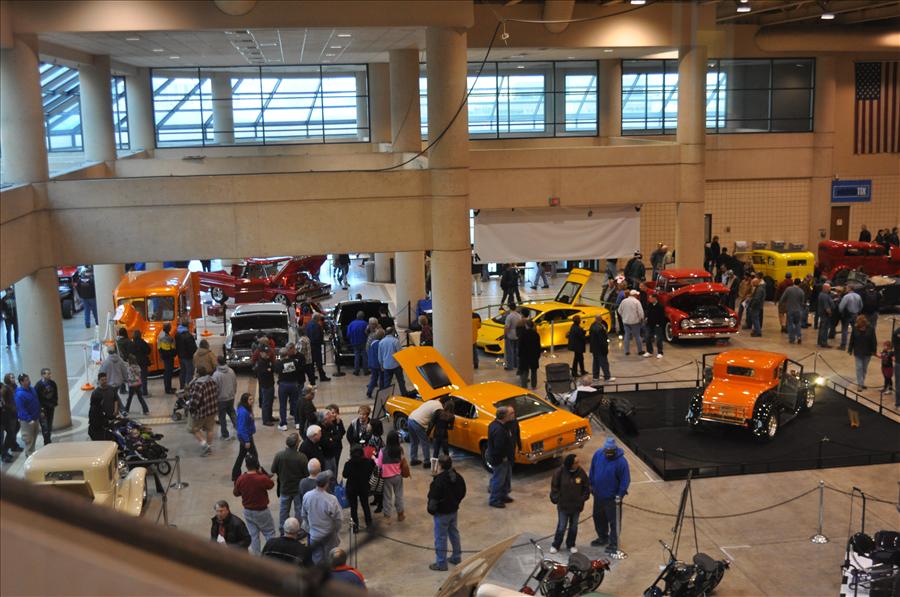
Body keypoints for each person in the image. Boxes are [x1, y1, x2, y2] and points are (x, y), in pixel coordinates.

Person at [589, 437, 630, 554]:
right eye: (607, 451)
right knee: (598, 518)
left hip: (612, 499)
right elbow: (592, 469)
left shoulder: (621, 462)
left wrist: (620, 495)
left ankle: (614, 544)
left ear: (615, 450)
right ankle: (603, 537)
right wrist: (591, 484)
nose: (608, 454)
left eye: (610, 452)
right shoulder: (598, 454)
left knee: (614, 522)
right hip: (598, 495)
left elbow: (625, 480)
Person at [428, 454, 466, 571]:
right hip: (453, 511)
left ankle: (441, 563)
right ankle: (456, 557)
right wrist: (456, 502)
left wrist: (432, 511)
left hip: (442, 513)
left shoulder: (439, 481)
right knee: (454, 533)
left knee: (440, 538)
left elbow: (433, 499)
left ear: (439, 465)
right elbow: (463, 492)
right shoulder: (458, 477)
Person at [233, 455, 276, 555]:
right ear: (257, 464)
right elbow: (271, 485)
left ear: (246, 465)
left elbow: (236, 493)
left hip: (248, 511)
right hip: (262, 510)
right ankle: (271, 554)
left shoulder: (241, 479)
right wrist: (261, 473)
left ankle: (257, 556)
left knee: (253, 535)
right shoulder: (261, 478)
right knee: (269, 532)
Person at [550, 453, 590, 554]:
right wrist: (558, 499)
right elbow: (554, 487)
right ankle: (556, 545)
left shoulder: (581, 473)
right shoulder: (559, 472)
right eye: (576, 462)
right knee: (562, 526)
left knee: (574, 526)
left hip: (576, 506)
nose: (578, 464)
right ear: (570, 464)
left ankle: (571, 544)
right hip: (563, 506)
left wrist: (582, 499)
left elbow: (586, 487)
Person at [301, 470, 343, 564]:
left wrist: (310, 529)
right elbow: (339, 519)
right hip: (329, 536)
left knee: (317, 560)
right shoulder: (331, 499)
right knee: (331, 559)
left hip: (314, 535)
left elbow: (303, 515)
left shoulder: (307, 496)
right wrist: (335, 531)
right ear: (327, 483)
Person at [271, 433, 309, 534]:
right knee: (299, 510)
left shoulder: (279, 455)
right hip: (298, 489)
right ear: (296, 444)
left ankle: (283, 529)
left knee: (284, 510)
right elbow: (307, 474)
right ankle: (299, 530)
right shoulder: (302, 457)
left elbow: (273, 469)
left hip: (285, 488)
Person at [487, 406, 516, 508]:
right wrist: (503, 457)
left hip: (506, 458)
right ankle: (494, 499)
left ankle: (503, 495)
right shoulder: (498, 430)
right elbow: (499, 447)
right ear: (504, 416)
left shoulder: (500, 425)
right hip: (500, 460)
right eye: (509, 414)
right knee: (499, 480)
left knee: (506, 478)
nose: (511, 416)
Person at [342, 444, 375, 532]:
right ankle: (369, 524)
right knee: (365, 505)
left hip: (352, 487)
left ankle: (355, 527)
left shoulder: (348, 464)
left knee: (353, 507)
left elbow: (345, 475)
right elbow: (371, 472)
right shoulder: (367, 462)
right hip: (363, 486)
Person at [375, 430, 406, 522]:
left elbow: (379, 465)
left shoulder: (382, 451)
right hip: (398, 476)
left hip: (387, 477)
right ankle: (400, 514)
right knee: (399, 495)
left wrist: (374, 458)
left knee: (387, 497)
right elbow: (402, 460)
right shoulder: (400, 449)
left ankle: (387, 517)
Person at [187, 366, 218, 456]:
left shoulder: (198, 385)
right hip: (212, 410)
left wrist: (191, 409)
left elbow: (195, 401)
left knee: (194, 429)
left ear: (197, 374)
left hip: (202, 412)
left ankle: (205, 446)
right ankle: (209, 447)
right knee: (210, 429)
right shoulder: (212, 381)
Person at [275, 344, 304, 432]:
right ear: (287, 354)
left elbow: (276, 372)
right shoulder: (294, 362)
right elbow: (298, 371)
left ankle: (283, 424)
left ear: (280, 355)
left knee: (283, 405)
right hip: (294, 384)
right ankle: (297, 422)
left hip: (283, 385)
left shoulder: (279, 364)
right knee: (295, 403)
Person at [407, 396, 443, 467]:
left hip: (410, 418)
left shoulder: (433, 401)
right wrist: (428, 433)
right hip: (418, 423)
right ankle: (427, 462)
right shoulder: (439, 408)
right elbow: (433, 422)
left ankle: (413, 459)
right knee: (425, 443)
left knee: (414, 441)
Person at [232, 392, 258, 482]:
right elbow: (241, 428)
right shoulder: (243, 412)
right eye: (250, 399)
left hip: (247, 435)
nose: (252, 401)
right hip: (245, 437)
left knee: (242, 455)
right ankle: (259, 473)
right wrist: (247, 440)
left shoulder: (247, 408)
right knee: (254, 455)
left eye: (252, 399)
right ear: (245, 401)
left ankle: (235, 475)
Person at [848, 315, 877, 391]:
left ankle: (862, 383)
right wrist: (850, 349)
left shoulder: (871, 329)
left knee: (864, 369)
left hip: (867, 352)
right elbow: (852, 339)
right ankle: (860, 384)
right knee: (859, 368)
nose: (861, 327)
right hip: (858, 352)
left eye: (862, 326)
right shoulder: (855, 329)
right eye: (859, 326)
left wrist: (874, 351)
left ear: (865, 323)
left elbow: (874, 340)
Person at [211, 356, 238, 439]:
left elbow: (214, 388)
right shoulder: (231, 371)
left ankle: (225, 434)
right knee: (232, 413)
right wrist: (233, 392)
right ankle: (239, 428)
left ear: (218, 363)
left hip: (221, 399)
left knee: (222, 417)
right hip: (231, 397)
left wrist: (215, 398)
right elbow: (235, 383)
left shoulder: (216, 375)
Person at [14, 374, 41, 455]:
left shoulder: (32, 389)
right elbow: (21, 409)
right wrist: (29, 419)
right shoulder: (19, 394)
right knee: (28, 439)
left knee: (35, 435)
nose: (29, 381)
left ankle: (32, 451)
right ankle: (29, 454)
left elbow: (36, 401)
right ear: (21, 382)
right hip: (27, 421)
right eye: (26, 380)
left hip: (35, 417)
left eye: (28, 379)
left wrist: (40, 412)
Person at [88, 372, 118, 441]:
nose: (104, 381)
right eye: (102, 380)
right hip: (103, 420)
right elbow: (93, 406)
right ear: (98, 380)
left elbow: (116, 399)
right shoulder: (95, 393)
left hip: (112, 415)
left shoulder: (111, 389)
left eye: (105, 379)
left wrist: (116, 410)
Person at [378, 328, 407, 395]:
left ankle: (386, 395)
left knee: (387, 382)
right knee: (401, 381)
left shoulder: (381, 342)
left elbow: (380, 356)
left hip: (386, 365)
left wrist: (381, 365)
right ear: (393, 332)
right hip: (396, 365)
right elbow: (400, 353)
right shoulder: (395, 341)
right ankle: (404, 393)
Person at [618, 290, 647, 356]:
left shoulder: (624, 301)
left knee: (627, 336)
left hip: (626, 322)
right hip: (635, 322)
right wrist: (641, 319)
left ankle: (626, 351)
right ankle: (640, 351)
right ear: (635, 295)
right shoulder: (637, 302)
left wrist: (624, 316)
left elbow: (619, 311)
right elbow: (641, 313)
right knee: (637, 336)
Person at [35, 368, 59, 446]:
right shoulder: (38, 385)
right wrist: (40, 408)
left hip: (51, 408)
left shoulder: (53, 383)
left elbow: (55, 394)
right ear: (43, 375)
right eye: (48, 374)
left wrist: (54, 403)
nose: (49, 375)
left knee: (49, 425)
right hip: (43, 409)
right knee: (45, 426)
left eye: (50, 373)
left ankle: (48, 440)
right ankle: (47, 442)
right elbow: (37, 398)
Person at [254, 344, 276, 426]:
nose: (267, 354)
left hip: (271, 384)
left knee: (270, 402)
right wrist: (269, 370)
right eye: (265, 353)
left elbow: (272, 369)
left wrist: (270, 369)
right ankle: (265, 420)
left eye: (268, 352)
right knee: (266, 403)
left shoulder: (268, 361)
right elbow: (265, 372)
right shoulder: (260, 363)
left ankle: (270, 416)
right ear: (261, 353)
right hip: (265, 386)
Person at [779, 278, 806, 344]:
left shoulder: (788, 289)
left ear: (793, 282)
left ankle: (792, 339)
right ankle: (799, 337)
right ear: (800, 284)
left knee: (790, 324)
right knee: (798, 324)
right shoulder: (801, 291)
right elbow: (802, 302)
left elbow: (782, 299)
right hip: (798, 310)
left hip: (790, 310)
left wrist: (784, 304)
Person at [305, 314, 331, 382]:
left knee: (312, 362)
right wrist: (321, 342)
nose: (320, 320)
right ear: (317, 318)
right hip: (316, 346)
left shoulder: (308, 324)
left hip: (310, 345)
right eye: (319, 318)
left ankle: (312, 376)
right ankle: (322, 377)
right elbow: (318, 336)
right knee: (319, 362)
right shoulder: (317, 325)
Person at [589, 316, 614, 383]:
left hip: (594, 348)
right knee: (604, 363)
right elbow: (602, 340)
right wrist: (605, 349)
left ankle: (595, 377)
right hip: (600, 349)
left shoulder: (592, 326)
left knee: (596, 362)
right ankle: (607, 377)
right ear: (601, 320)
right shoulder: (600, 328)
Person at [518, 319, 541, 390]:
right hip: (534, 355)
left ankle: (524, 386)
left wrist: (519, 355)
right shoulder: (536, 334)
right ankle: (534, 385)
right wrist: (538, 355)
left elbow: (520, 346)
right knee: (534, 371)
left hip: (524, 356)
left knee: (524, 371)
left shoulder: (523, 334)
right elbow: (538, 346)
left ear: (526, 325)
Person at [319, 409, 343, 474]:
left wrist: (331, 439)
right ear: (325, 420)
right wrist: (332, 439)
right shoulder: (319, 429)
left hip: (333, 455)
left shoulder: (331, 425)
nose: (331, 419)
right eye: (330, 418)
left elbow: (339, 435)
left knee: (334, 472)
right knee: (328, 474)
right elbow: (326, 442)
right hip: (325, 457)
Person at [1, 375, 19, 462]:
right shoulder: (5, 388)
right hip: (5, 416)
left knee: (12, 432)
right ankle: (4, 454)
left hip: (8, 415)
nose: (13, 379)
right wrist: (10, 407)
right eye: (11, 377)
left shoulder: (10, 387)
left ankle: (7, 449)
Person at [175, 320, 197, 388]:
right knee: (189, 372)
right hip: (188, 357)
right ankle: (189, 387)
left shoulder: (177, 334)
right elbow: (192, 347)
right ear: (188, 326)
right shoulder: (188, 335)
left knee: (183, 371)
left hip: (180, 356)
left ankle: (182, 386)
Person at [157, 323, 177, 394]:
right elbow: (171, 348)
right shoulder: (168, 338)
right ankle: (168, 389)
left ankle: (168, 387)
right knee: (169, 373)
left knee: (167, 373)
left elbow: (159, 347)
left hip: (165, 357)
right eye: (170, 327)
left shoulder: (160, 335)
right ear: (168, 329)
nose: (170, 328)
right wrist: (174, 353)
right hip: (169, 357)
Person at [644, 293, 666, 358]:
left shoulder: (660, 306)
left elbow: (662, 317)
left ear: (654, 298)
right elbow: (648, 313)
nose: (649, 299)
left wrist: (659, 324)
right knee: (647, 337)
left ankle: (660, 352)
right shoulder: (649, 305)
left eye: (650, 298)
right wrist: (646, 318)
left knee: (659, 339)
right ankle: (649, 351)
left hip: (657, 325)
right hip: (649, 324)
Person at [347, 311, 369, 376]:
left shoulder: (351, 324)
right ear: (363, 317)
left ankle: (356, 371)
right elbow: (368, 333)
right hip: (363, 342)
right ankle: (366, 371)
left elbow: (348, 334)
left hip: (354, 342)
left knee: (356, 356)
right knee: (365, 356)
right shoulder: (365, 323)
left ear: (357, 316)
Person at [131, 329, 151, 397]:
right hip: (143, 362)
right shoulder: (143, 342)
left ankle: (138, 392)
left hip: (135, 362)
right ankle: (144, 392)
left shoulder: (132, 343)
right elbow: (148, 350)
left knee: (137, 378)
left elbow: (131, 353)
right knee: (143, 377)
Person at [365, 328, 384, 399]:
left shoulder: (372, 343)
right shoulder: (380, 344)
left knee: (373, 378)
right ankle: (381, 392)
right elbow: (381, 355)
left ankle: (369, 391)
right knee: (381, 378)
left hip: (371, 363)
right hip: (378, 364)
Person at [503, 303, 522, 371]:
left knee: (509, 351)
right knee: (516, 350)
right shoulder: (519, 316)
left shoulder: (509, 316)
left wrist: (505, 334)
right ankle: (516, 364)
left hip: (510, 334)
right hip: (518, 334)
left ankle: (510, 366)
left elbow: (507, 327)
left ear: (509, 308)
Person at [816, 283, 835, 348]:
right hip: (825, 315)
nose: (830, 289)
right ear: (825, 288)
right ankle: (824, 343)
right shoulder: (825, 296)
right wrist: (830, 313)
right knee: (825, 329)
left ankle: (820, 341)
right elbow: (827, 307)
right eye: (829, 288)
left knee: (822, 328)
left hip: (822, 314)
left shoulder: (821, 294)